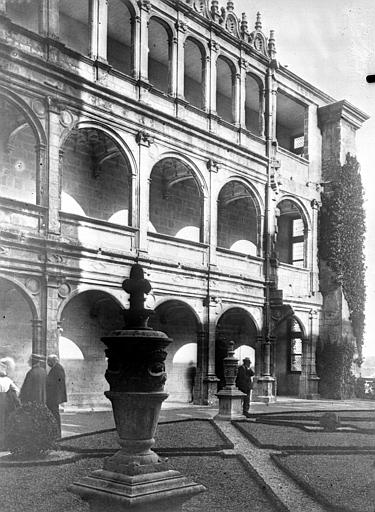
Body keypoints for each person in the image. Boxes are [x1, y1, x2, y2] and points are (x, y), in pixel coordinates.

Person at [0, 357, 19, 447]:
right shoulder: (8, 380)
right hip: (5, 404)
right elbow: (16, 391)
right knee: (5, 423)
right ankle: (4, 444)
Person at [46, 354, 67, 436]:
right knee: (54, 414)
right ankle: (56, 433)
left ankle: (57, 433)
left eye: (49, 361)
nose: (48, 363)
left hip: (54, 397)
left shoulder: (57, 369)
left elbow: (58, 383)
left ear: (53, 361)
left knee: (55, 414)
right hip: (54, 396)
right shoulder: (56, 368)